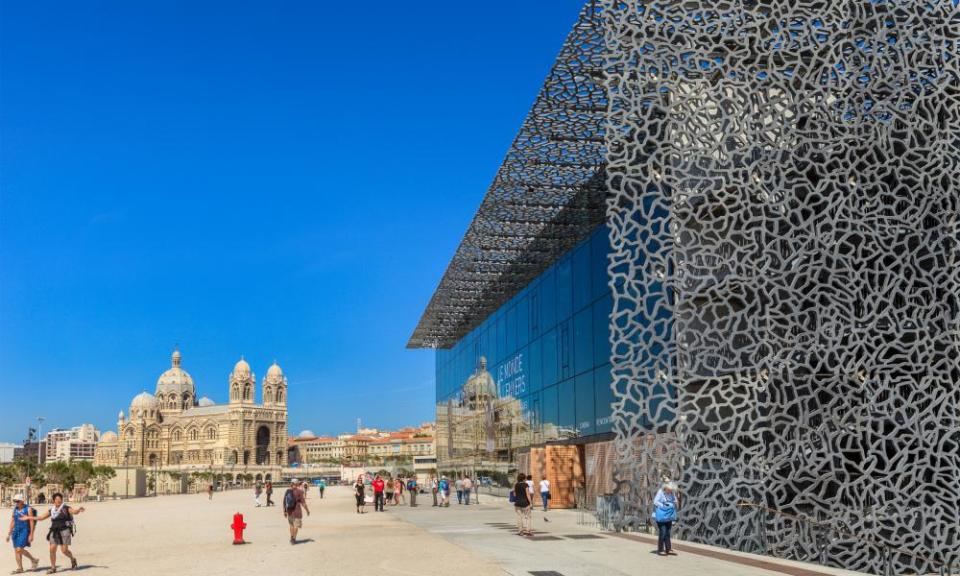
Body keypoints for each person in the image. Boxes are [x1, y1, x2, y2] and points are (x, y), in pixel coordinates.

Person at [22, 492, 87, 573]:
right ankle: (53, 568)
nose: (58, 500)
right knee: (52, 549)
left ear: (62, 500)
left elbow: (74, 511)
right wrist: (28, 517)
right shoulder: (52, 510)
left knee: (64, 550)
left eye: (60, 499)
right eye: (56, 499)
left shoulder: (66, 508)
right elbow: (41, 517)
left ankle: (72, 559)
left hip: (65, 530)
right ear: (53, 501)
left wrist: (79, 510)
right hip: (54, 531)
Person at [6, 494, 40, 574]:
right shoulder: (15, 509)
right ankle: (20, 568)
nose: (16, 503)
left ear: (22, 501)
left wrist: (31, 534)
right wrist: (9, 533)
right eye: (15, 501)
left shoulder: (28, 509)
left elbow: (31, 521)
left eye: (17, 501)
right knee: (16, 550)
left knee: (19, 549)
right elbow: (13, 521)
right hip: (16, 531)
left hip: (24, 530)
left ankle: (33, 559)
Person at [652, 481, 679, 556]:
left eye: (671, 490)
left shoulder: (672, 493)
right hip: (661, 515)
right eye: (669, 489)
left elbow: (675, 500)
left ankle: (668, 549)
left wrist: (675, 503)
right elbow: (655, 502)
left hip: (669, 515)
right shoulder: (660, 492)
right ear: (666, 488)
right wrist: (663, 506)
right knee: (663, 532)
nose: (670, 491)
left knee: (668, 532)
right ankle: (660, 549)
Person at [283, 479, 310, 545]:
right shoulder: (300, 491)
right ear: (297, 484)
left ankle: (291, 537)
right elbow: (303, 503)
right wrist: (307, 510)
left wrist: (284, 511)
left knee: (291, 525)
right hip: (297, 511)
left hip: (289, 511)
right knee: (296, 526)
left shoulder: (288, 491)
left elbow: (284, 501)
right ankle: (294, 539)